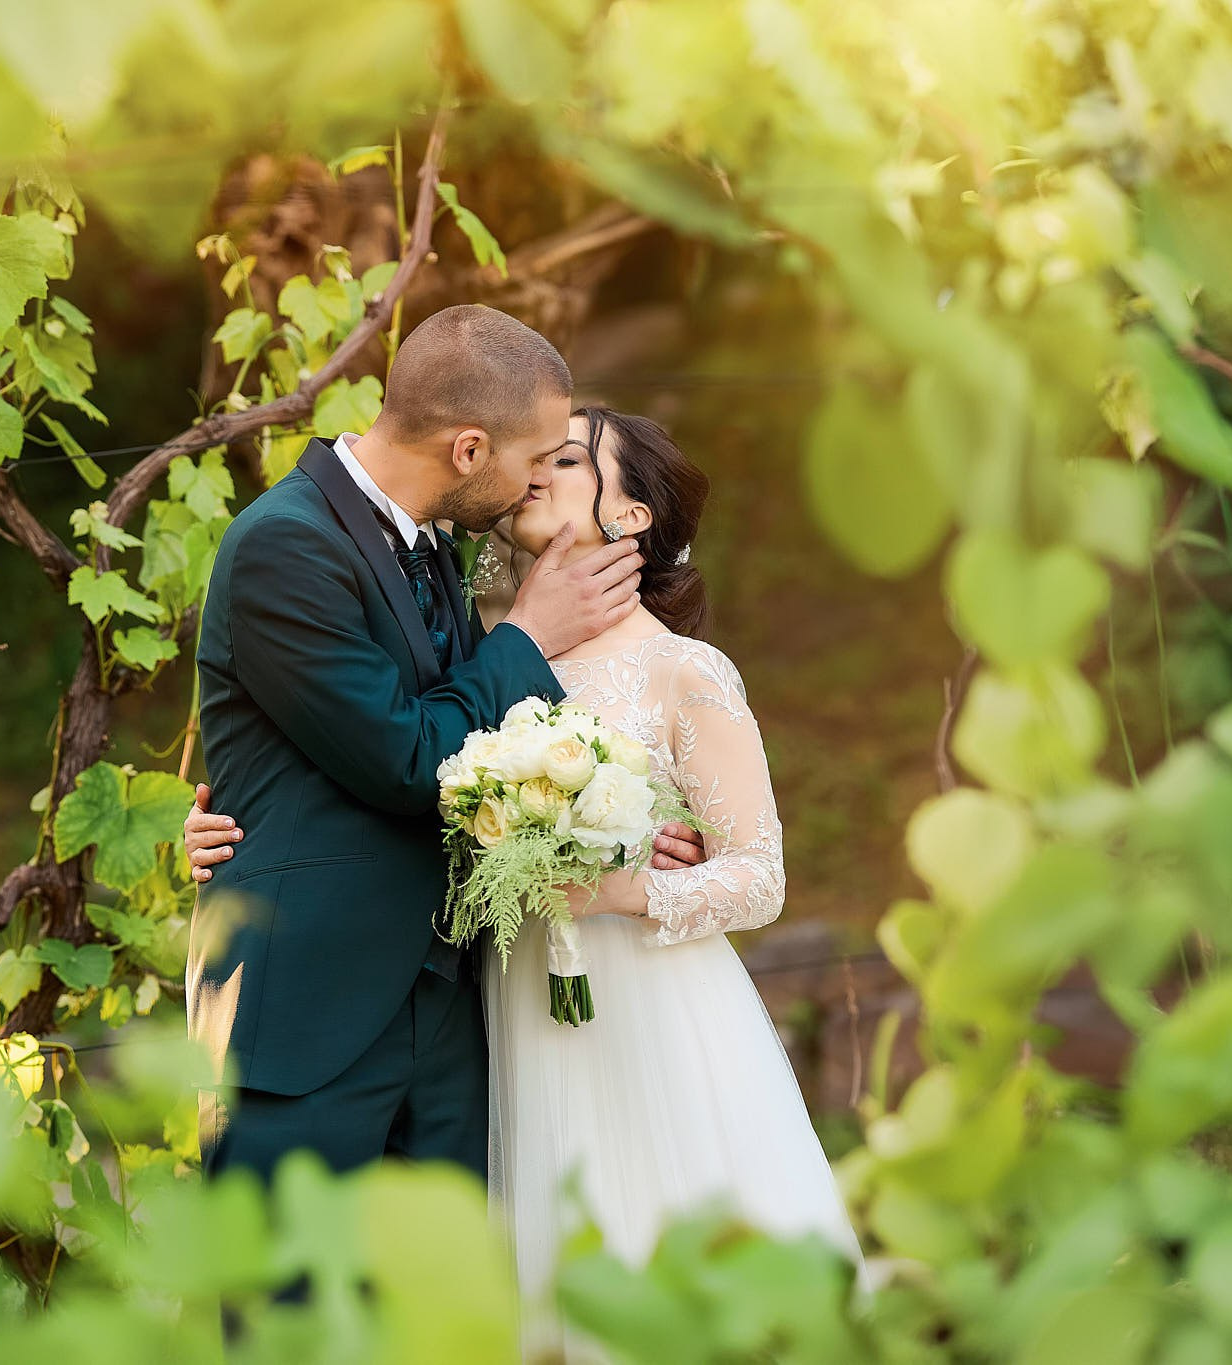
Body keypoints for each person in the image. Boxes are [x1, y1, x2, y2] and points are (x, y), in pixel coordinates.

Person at [188, 404, 864, 1338]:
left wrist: (634, 884)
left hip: (644, 1014)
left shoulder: (682, 671)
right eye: (538, 454)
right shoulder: (477, 636)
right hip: (503, 1017)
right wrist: (240, 823)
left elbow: (760, 876)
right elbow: (384, 745)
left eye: (571, 459)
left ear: (629, 518)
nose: (541, 471)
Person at [184, 305, 710, 1203]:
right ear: (470, 451)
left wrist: (640, 834)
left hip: (450, 1011)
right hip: (305, 1023)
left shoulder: (436, 551)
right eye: (537, 457)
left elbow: (495, 753)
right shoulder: (287, 545)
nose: (542, 478)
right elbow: (412, 758)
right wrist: (531, 636)